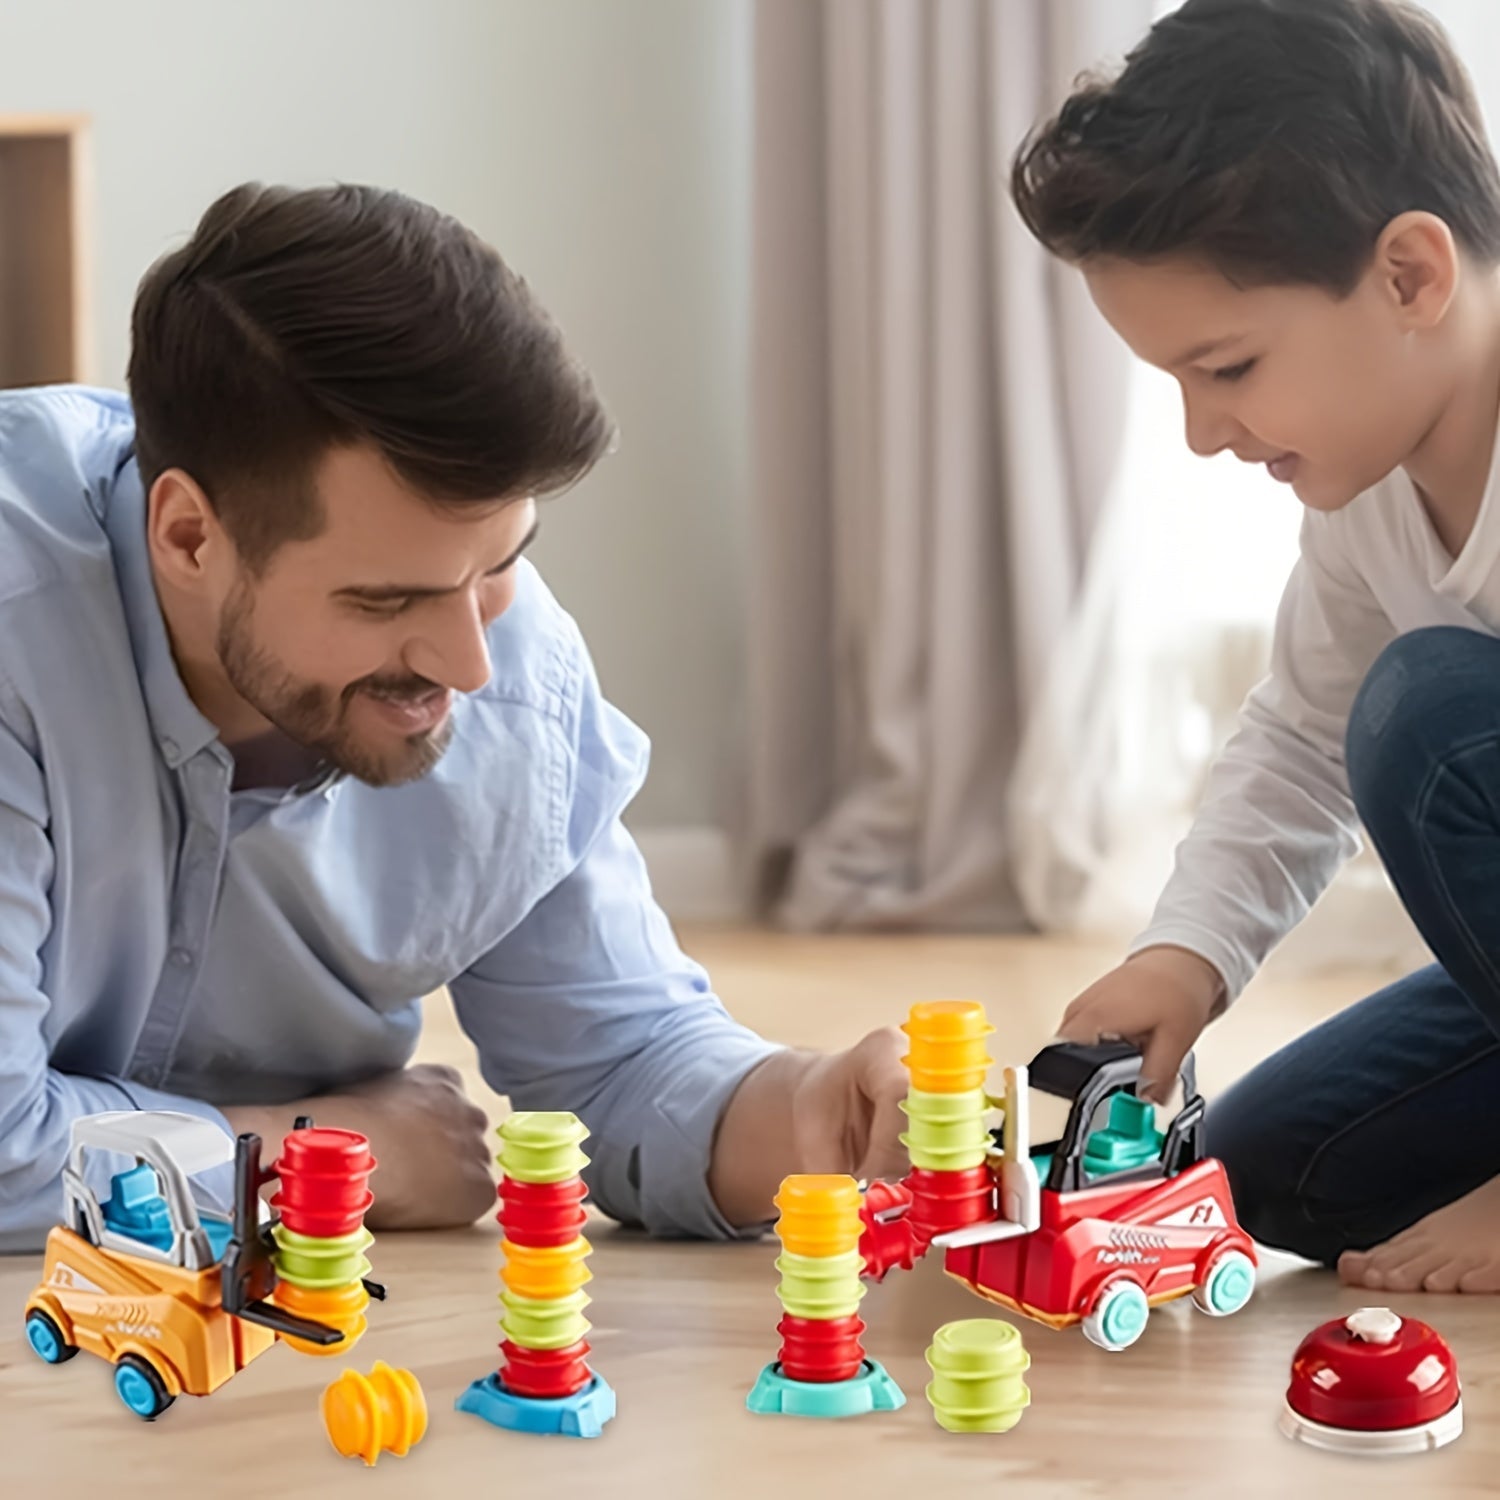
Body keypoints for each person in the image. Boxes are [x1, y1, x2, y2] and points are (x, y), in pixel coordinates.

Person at [0, 181, 909, 1253]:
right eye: (385, 602)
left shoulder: (513, 671)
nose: (467, 664)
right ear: (191, 537)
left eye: (499, 567)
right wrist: (321, 1161)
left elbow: (623, 1061)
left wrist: (811, 1113)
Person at [1012, 0, 1500, 1292]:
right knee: (1277, 1166)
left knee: (1427, 725)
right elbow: (1295, 742)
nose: (1201, 432)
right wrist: (1188, 954)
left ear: (1410, 276)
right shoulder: (1368, 493)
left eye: (1226, 367)